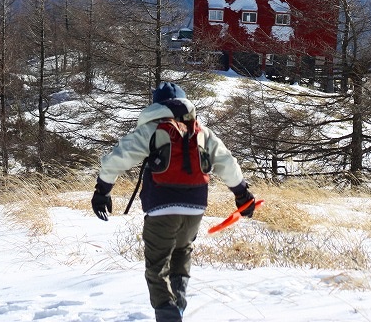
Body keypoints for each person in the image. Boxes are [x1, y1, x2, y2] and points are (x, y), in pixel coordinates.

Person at [91, 81, 255, 322]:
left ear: (157, 105)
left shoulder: (153, 129)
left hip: (161, 207)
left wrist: (102, 190)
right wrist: (242, 193)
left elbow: (119, 157)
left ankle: (168, 315)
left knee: (157, 267)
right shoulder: (200, 131)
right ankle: (176, 307)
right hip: (195, 207)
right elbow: (226, 162)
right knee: (181, 253)